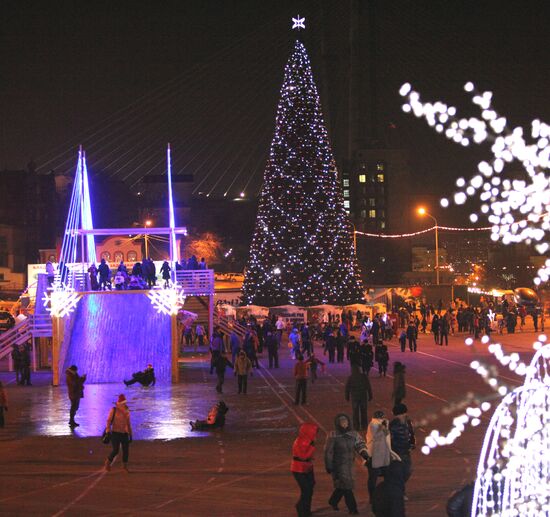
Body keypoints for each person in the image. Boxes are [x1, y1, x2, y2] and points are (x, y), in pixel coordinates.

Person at [324, 413, 369, 514]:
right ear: (338, 423)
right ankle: (353, 509)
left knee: (342, 486)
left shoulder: (353, 434)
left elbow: (360, 444)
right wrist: (329, 465)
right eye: (342, 421)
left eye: (346, 421)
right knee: (347, 488)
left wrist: (365, 454)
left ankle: (333, 501)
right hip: (338, 467)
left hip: (350, 466)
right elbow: (329, 452)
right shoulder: (333, 436)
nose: (344, 423)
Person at [366, 410, 401, 501]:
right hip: (374, 456)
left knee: (387, 475)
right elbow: (376, 436)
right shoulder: (372, 425)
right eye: (382, 418)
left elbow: (387, 437)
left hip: (383, 454)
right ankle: (372, 497)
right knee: (373, 477)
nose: (383, 420)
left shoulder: (382, 425)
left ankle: (386, 494)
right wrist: (384, 427)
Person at [291, 423, 319, 517]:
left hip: (306, 468)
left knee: (309, 489)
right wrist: (312, 446)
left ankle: (306, 509)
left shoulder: (307, 440)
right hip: (299, 469)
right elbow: (303, 457)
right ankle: (301, 508)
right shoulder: (300, 441)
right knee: (306, 490)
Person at [389, 403, 415, 494]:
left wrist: (412, 444)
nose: (404, 415)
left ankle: (397, 488)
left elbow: (412, 434)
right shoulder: (392, 425)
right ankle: (400, 491)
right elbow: (389, 439)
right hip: (397, 452)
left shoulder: (408, 423)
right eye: (402, 414)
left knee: (407, 471)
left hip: (406, 451)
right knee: (399, 473)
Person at [104, 394, 132, 473]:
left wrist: (130, 433)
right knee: (115, 450)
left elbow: (128, 423)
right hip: (115, 433)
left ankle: (124, 467)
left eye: (125, 402)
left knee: (126, 450)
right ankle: (108, 462)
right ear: (120, 403)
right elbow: (109, 421)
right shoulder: (114, 410)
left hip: (124, 433)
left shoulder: (127, 410)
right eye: (123, 403)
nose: (125, 404)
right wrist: (108, 430)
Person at [345, 364, 373, 431]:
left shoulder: (351, 377)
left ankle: (356, 426)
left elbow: (347, 388)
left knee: (355, 412)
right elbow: (368, 386)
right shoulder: (364, 376)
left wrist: (347, 396)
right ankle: (364, 425)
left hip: (355, 397)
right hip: (363, 396)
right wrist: (370, 395)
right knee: (364, 411)